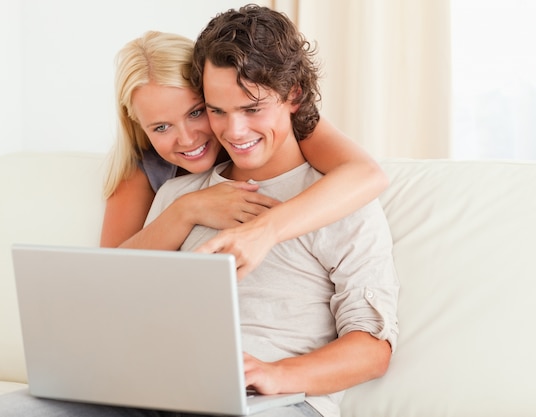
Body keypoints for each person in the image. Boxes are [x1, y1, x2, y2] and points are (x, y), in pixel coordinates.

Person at [0, 5, 398, 417]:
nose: (234, 131)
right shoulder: (176, 193)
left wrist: (276, 374)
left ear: (292, 95)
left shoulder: (341, 199)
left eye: (252, 108)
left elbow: (373, 349)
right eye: (216, 110)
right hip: (154, 391)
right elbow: (112, 299)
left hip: (269, 402)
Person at [101, 30, 388, 278]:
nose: (187, 139)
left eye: (197, 112)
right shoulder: (146, 169)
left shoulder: (271, 127)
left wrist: (266, 229)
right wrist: (186, 209)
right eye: (161, 126)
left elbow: (366, 174)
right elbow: (108, 276)